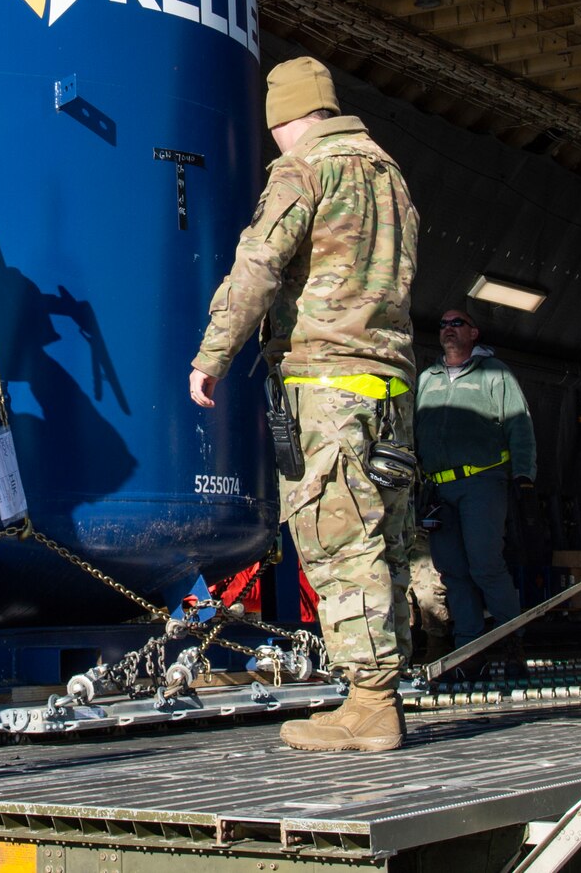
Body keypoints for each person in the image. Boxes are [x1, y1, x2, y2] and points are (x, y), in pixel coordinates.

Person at [188, 56, 418, 753]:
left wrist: (212, 354)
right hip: (392, 383)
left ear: (283, 118)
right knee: (385, 542)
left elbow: (258, 264)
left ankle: (371, 704)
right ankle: (379, 689)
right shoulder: (390, 174)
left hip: (328, 384)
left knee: (338, 538)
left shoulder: (305, 169)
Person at [412, 308, 535, 654]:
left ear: (473, 333)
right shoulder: (429, 378)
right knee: (452, 571)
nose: (448, 329)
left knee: (485, 564)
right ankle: (468, 649)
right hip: (439, 488)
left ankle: (511, 641)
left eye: (457, 323)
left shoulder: (495, 374)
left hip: (481, 482)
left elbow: (519, 424)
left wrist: (524, 475)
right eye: (443, 324)